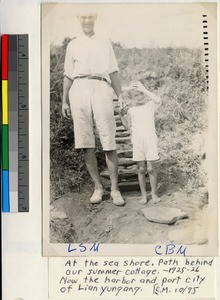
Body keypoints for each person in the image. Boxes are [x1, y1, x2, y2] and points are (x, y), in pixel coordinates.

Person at [62, 13, 125, 206]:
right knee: (85, 141)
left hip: (101, 88)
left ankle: (115, 189)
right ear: (79, 20)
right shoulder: (73, 44)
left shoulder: (105, 42)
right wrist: (64, 101)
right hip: (78, 90)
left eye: (90, 17)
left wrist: (120, 95)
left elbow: (113, 70)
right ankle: (98, 187)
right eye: (83, 18)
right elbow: (68, 74)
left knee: (108, 139)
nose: (87, 21)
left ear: (95, 19)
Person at [119, 81, 162, 204]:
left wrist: (144, 89)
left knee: (151, 168)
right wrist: (120, 115)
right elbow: (127, 127)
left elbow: (158, 100)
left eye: (141, 94)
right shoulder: (131, 110)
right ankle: (144, 195)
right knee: (142, 169)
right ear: (131, 97)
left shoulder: (150, 105)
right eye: (136, 95)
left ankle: (154, 194)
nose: (140, 96)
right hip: (138, 141)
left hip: (150, 140)